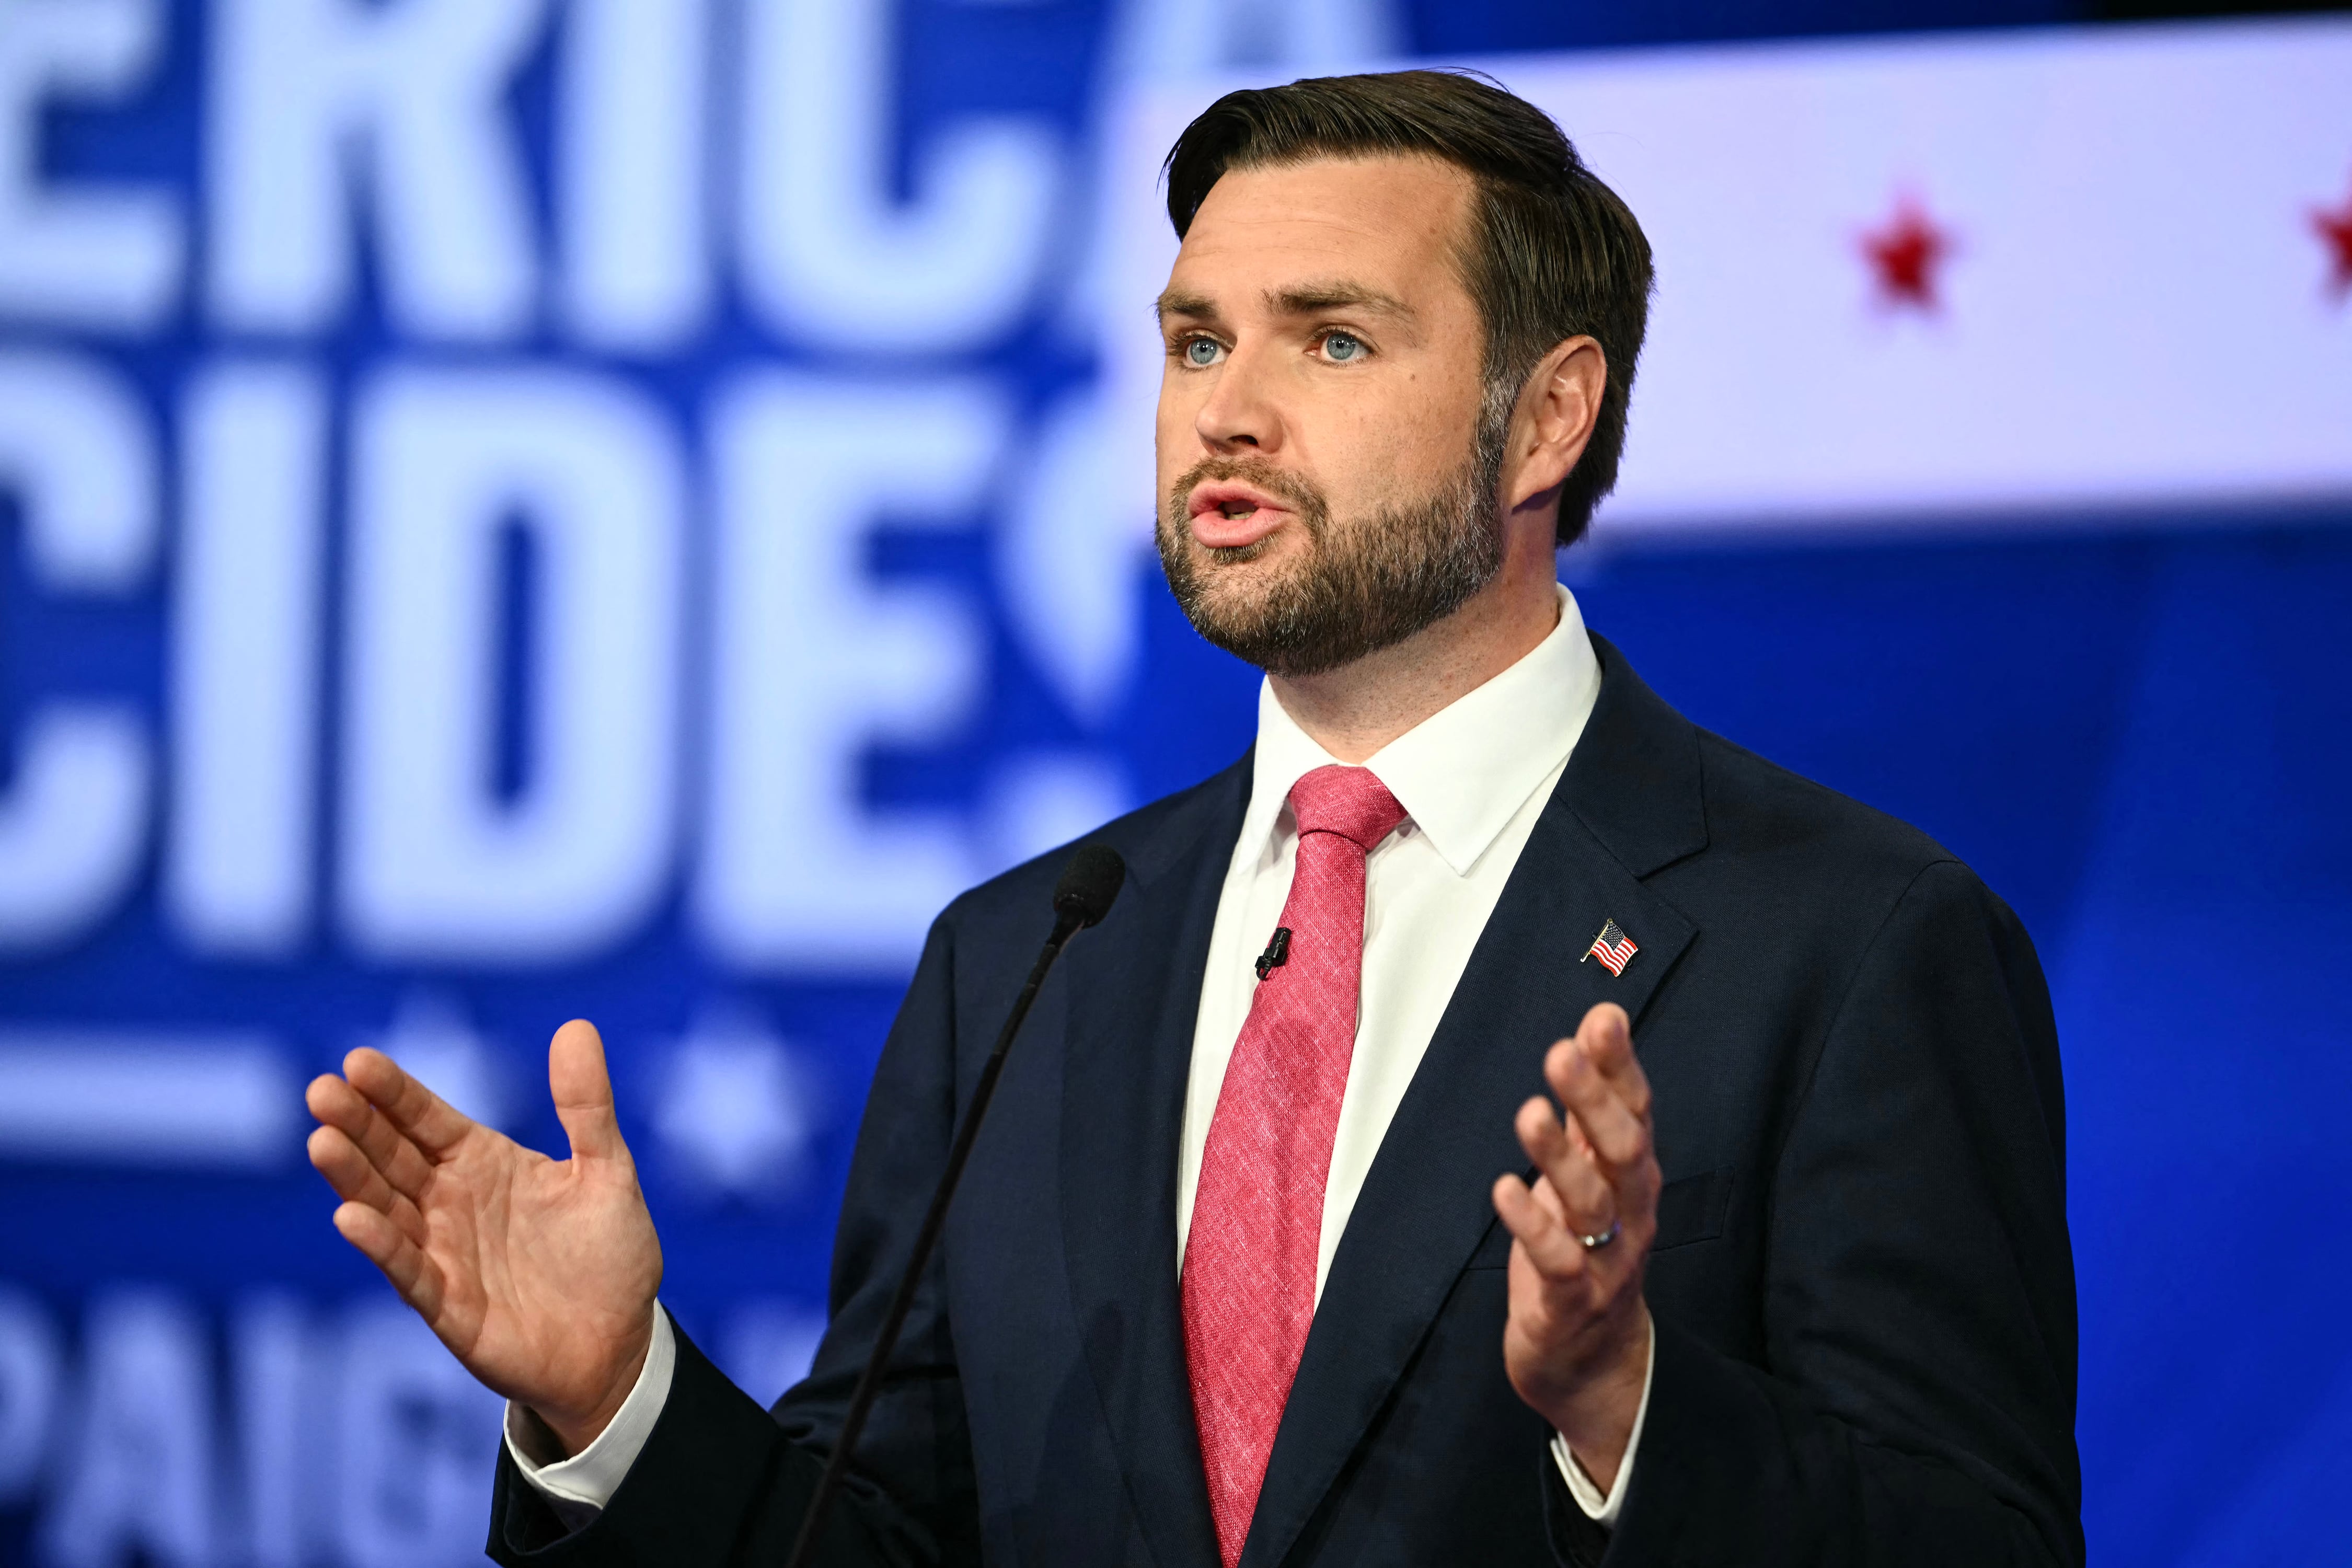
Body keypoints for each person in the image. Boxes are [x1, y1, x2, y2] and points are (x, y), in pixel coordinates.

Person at [304, 70, 2081, 1567]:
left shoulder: (1850, 943)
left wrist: (1629, 1413)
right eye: (1193, 339)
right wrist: (618, 1401)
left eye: (1330, 339)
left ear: (1545, 417)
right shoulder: (1024, 958)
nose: (1220, 412)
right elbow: (893, 1539)